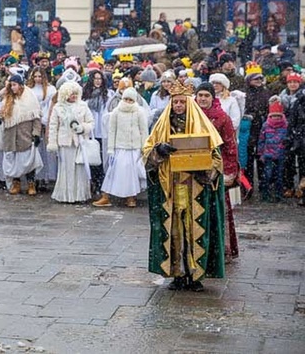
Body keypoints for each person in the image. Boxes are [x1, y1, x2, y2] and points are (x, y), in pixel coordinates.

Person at [143, 80, 225, 292]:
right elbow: (146, 155)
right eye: (175, 102)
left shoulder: (202, 126)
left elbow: (217, 159)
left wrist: (204, 169)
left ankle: (195, 274)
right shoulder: (161, 126)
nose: (178, 105)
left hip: (195, 189)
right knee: (174, 232)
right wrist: (158, 151)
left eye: (182, 102)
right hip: (170, 188)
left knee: (195, 230)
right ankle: (177, 274)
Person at [195, 82, 239, 261]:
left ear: (213, 98)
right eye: (200, 95)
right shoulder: (190, 115)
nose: (203, 99)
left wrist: (228, 171)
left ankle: (220, 248)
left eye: (206, 95)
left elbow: (230, 145)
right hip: (194, 169)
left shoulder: (222, 117)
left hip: (216, 169)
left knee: (218, 209)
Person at [94, 87, 147, 208]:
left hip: (134, 147)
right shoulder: (116, 112)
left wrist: (145, 148)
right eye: (126, 99)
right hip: (120, 147)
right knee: (114, 172)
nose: (128, 102)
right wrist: (110, 149)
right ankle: (106, 196)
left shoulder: (139, 112)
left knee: (132, 173)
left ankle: (131, 197)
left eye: (130, 100)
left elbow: (144, 131)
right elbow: (112, 131)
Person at [48, 81, 95, 203]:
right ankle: (66, 195)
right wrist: (52, 142)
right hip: (65, 142)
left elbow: (91, 123)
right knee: (66, 169)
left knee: (79, 169)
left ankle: (79, 195)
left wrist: (83, 128)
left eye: (75, 93)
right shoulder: (58, 107)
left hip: (80, 142)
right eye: (71, 93)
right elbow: (53, 126)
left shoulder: (83, 106)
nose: (74, 96)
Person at [0, 73, 42, 195]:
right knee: (14, 161)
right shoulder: (7, 99)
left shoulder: (30, 98)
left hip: (25, 134)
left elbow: (36, 117)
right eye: (11, 85)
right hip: (10, 134)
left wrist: (36, 133)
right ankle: (16, 183)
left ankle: (31, 183)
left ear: (21, 85)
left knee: (28, 160)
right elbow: (2, 112)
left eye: (14, 85)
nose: (12, 87)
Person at [83, 69, 115, 195]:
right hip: (91, 131)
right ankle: (94, 182)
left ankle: (102, 183)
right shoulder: (86, 95)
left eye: (99, 79)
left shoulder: (108, 94)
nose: (97, 81)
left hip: (103, 131)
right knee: (92, 158)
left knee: (102, 159)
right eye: (95, 78)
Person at [257, 98, 288, 203]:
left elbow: (287, 140)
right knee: (267, 175)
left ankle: (279, 195)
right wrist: (260, 153)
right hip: (268, 155)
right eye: (273, 116)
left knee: (280, 176)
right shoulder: (265, 125)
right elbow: (261, 140)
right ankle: (265, 194)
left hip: (280, 154)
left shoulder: (285, 125)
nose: (276, 118)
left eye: (278, 116)